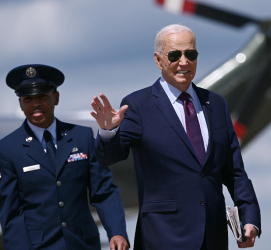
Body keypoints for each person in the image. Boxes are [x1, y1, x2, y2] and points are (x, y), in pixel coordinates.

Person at [91, 24, 261, 250]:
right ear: (158, 60)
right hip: (163, 237)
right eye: (174, 55)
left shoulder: (216, 104)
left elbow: (234, 171)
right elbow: (109, 158)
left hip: (213, 237)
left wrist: (250, 217)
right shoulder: (138, 105)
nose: (184, 62)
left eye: (190, 54)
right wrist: (107, 132)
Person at [0, 64, 129, 250]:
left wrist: (117, 231)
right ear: (20, 103)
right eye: (28, 98)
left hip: (83, 244)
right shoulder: (8, 149)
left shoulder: (82, 137)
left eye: (43, 96)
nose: (35, 103)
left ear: (56, 98)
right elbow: (11, 214)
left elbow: (104, 191)